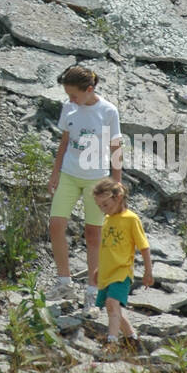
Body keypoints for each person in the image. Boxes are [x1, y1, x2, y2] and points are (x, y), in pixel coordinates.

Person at [47, 64, 123, 309]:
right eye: (69, 95)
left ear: (89, 90)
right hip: (69, 174)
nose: (71, 99)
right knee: (56, 224)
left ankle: (92, 289)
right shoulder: (69, 107)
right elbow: (65, 141)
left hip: (96, 180)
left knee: (93, 234)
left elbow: (116, 147)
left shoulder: (109, 111)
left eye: (74, 95)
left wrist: (116, 183)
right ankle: (64, 282)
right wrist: (55, 172)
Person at [91, 178, 153, 353]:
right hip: (107, 272)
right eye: (100, 206)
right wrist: (98, 269)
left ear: (118, 197)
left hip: (122, 272)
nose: (103, 209)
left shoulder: (131, 219)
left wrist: (148, 271)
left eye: (105, 204)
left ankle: (111, 342)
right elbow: (106, 248)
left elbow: (144, 246)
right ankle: (132, 340)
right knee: (115, 308)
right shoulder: (107, 220)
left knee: (112, 303)